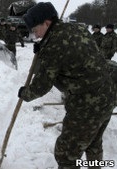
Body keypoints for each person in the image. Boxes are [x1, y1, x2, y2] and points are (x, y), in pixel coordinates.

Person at [19, 2, 116, 169]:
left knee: (66, 155)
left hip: (87, 105)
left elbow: (41, 86)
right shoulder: (77, 29)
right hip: (108, 93)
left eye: (35, 30)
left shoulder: (53, 46)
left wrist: (24, 93)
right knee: (93, 144)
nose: (35, 35)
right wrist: (43, 48)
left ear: (47, 23)